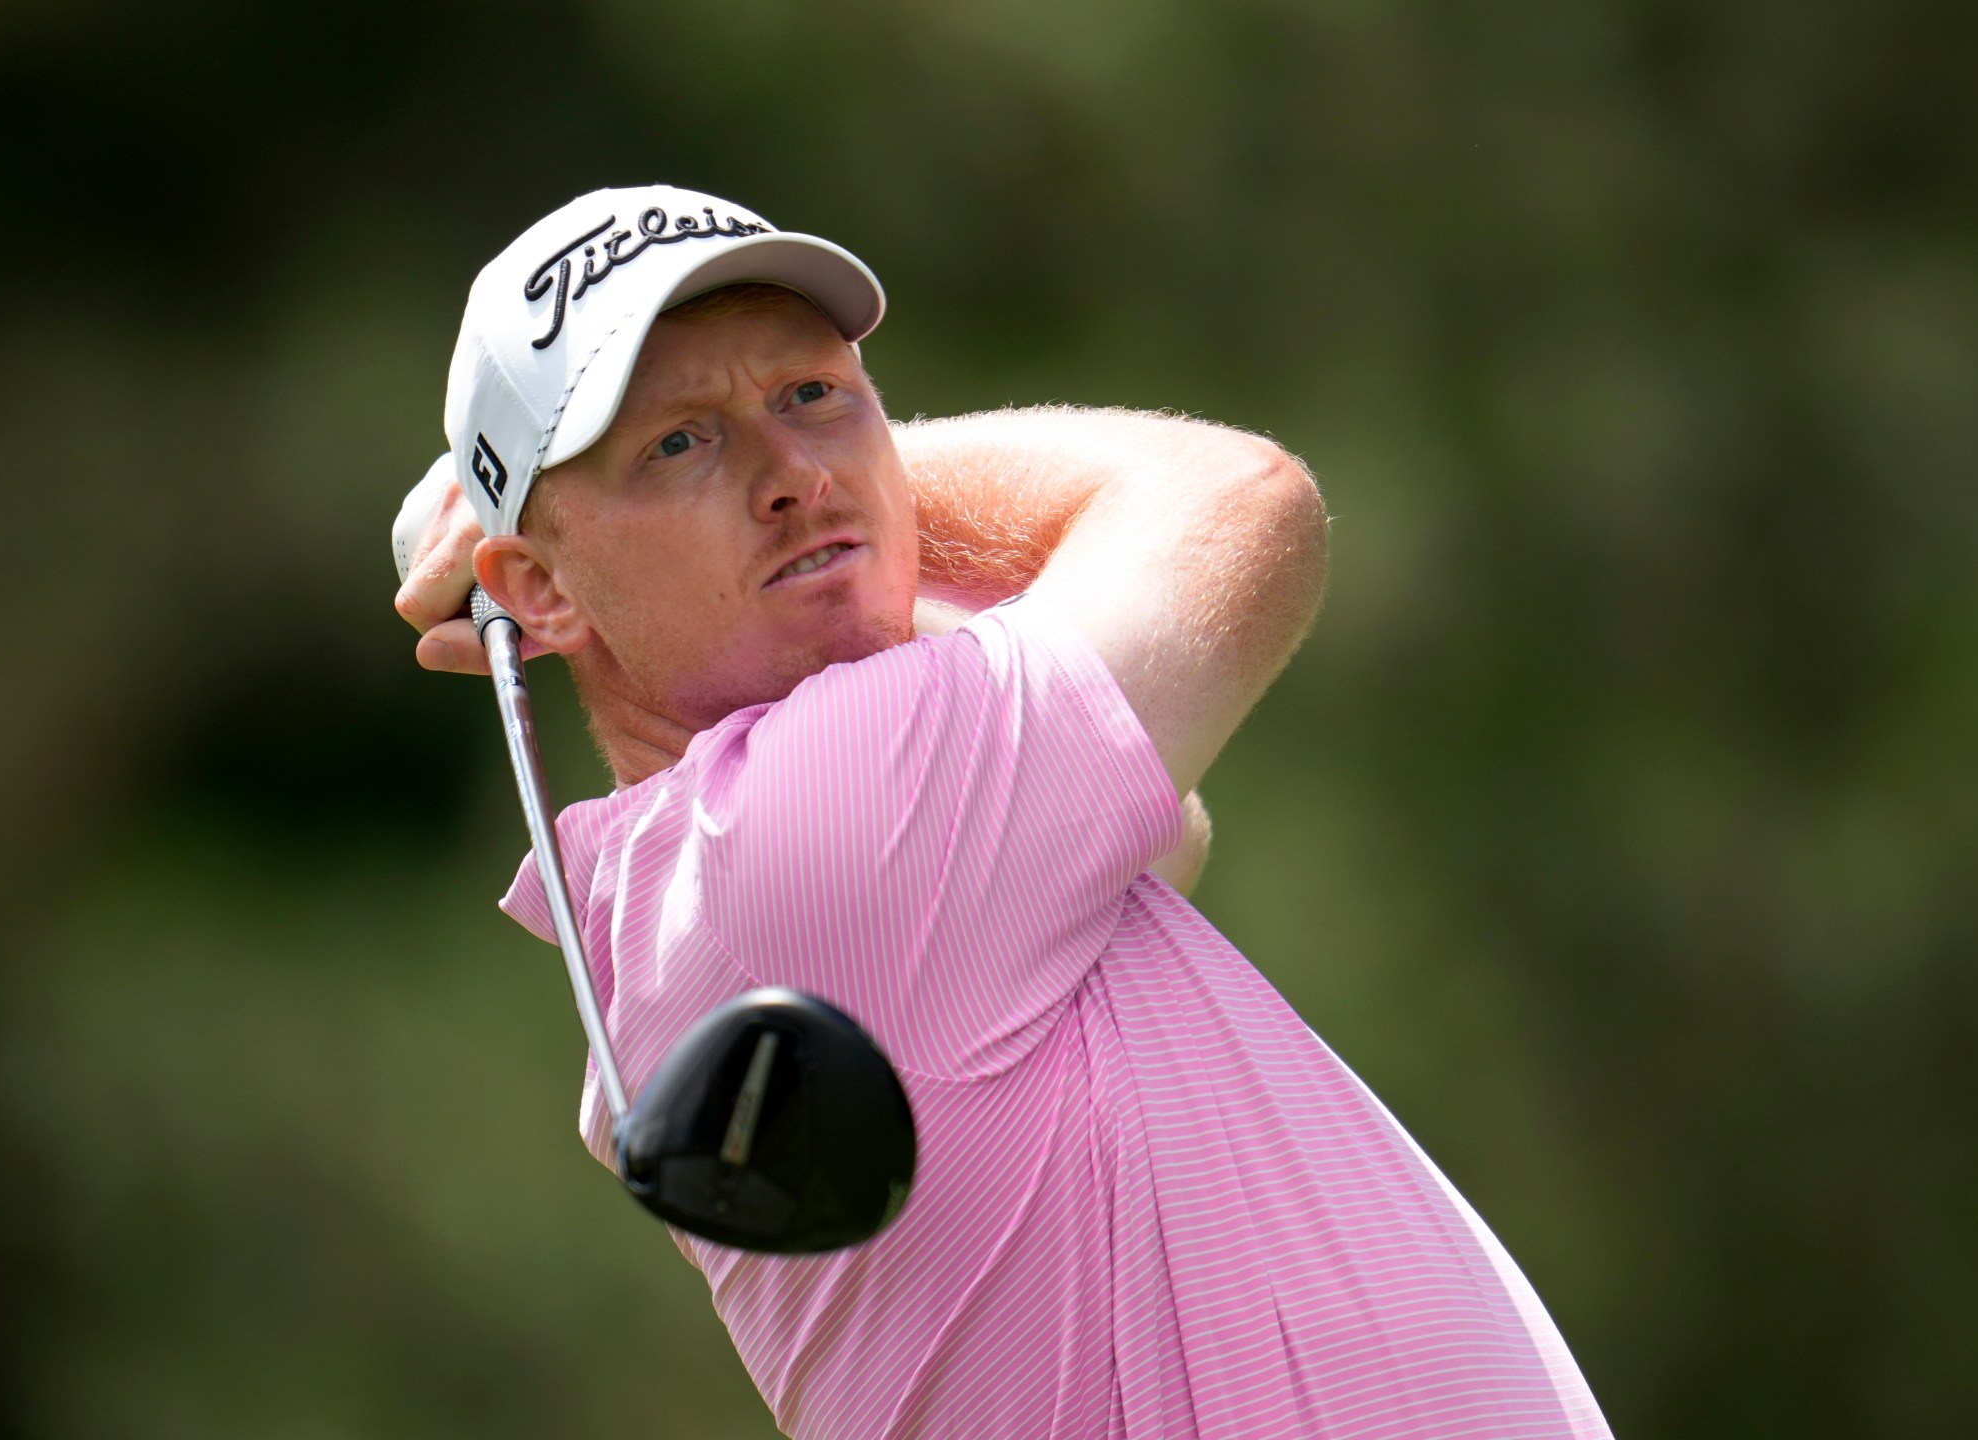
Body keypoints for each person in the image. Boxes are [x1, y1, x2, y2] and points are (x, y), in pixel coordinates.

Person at [392, 185, 1610, 1439]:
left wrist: (763, 498)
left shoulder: (740, 875)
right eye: (677, 445)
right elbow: (1241, 508)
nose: (792, 474)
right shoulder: (809, 841)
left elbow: (1165, 821)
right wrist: (864, 472)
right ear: (533, 593)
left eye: (814, 393)